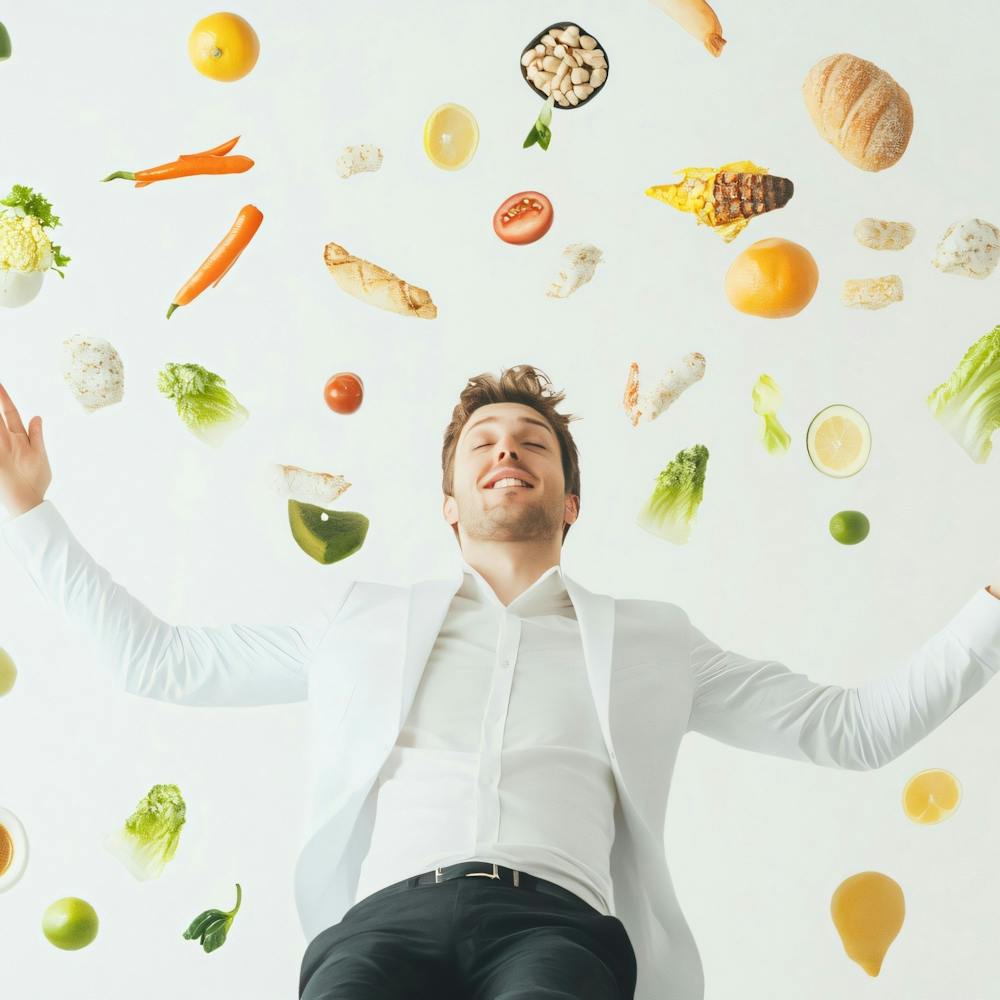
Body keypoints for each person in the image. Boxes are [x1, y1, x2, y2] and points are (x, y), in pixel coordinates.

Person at [1, 366, 999, 1000]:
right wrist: (32, 512)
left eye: (530, 442)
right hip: (380, 927)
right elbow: (159, 662)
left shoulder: (653, 641)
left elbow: (853, 728)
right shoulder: (359, 623)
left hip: (555, 930)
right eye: (481, 443)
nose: (505, 451)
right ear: (447, 502)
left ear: (571, 498)